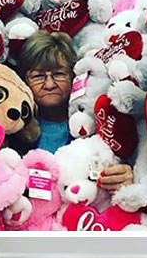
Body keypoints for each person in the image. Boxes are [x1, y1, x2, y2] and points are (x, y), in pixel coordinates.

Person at [17, 31, 134, 196]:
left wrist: (126, 175)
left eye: (58, 74)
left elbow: (126, 164)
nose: (49, 84)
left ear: (74, 76)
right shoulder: (15, 130)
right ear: (25, 80)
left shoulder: (97, 122)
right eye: (38, 76)